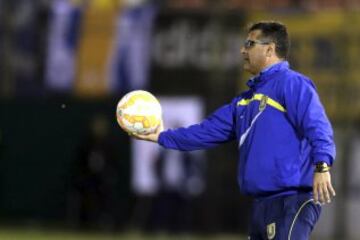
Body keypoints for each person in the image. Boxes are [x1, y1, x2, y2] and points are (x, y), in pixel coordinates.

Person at [130, 21, 336, 240]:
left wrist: (322, 166)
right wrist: (161, 136)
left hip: (292, 200)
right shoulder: (244, 102)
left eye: (249, 43)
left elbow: (318, 126)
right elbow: (204, 132)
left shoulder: (292, 84)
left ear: (269, 49)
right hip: (260, 206)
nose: (242, 50)